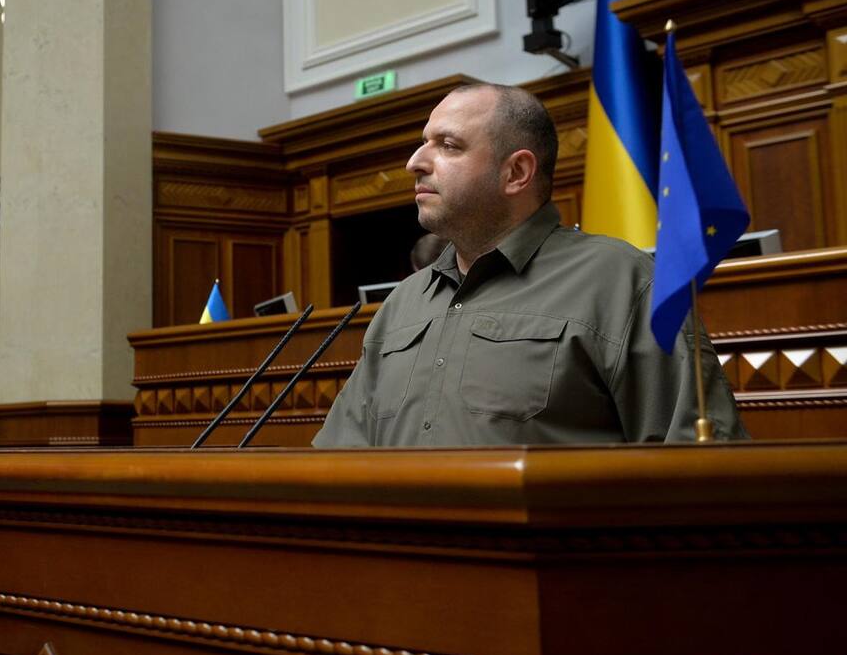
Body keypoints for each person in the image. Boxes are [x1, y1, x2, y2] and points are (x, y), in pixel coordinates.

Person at [313, 83, 747, 447]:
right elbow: (340, 457)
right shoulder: (403, 303)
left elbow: (697, 458)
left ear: (516, 172)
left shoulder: (621, 281)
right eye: (424, 142)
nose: (415, 162)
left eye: (448, 145)